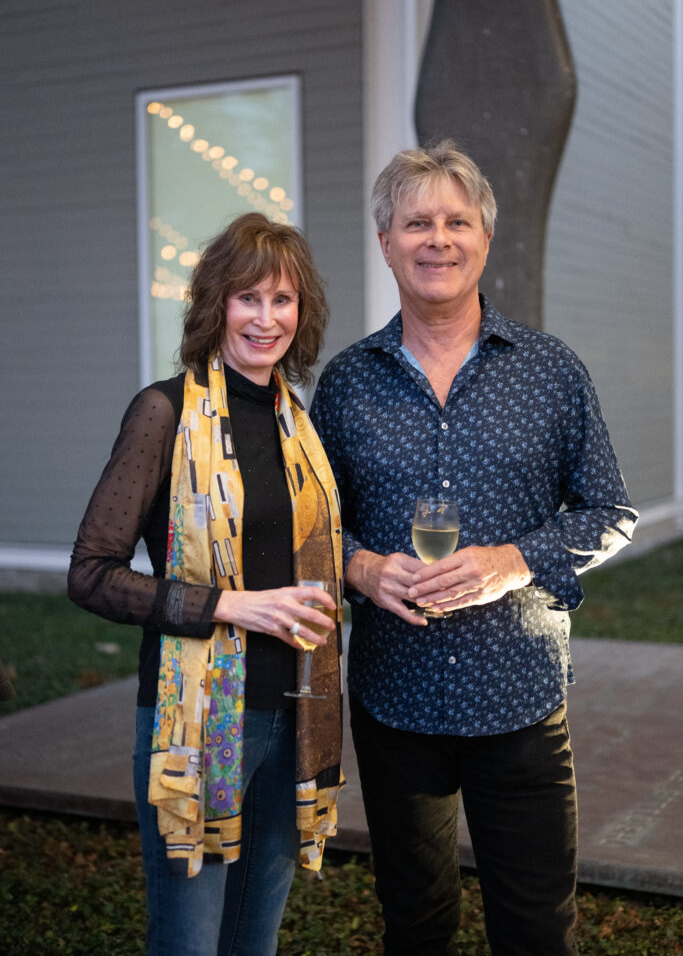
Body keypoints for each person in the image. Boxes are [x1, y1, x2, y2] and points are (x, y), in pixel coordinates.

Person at [311, 140, 638, 956]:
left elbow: (608, 511)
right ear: (385, 242)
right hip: (395, 701)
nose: (438, 238)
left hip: (520, 694)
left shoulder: (550, 371)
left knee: (534, 930)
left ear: (484, 240)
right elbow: (307, 527)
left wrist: (513, 560)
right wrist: (357, 565)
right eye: (416, 221)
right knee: (415, 926)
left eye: (456, 220)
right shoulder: (347, 382)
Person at [68, 212, 344, 956]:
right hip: (207, 721)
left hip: (298, 716)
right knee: (190, 942)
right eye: (246, 298)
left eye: (282, 300)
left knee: (252, 943)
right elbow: (90, 574)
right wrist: (229, 605)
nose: (265, 318)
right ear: (213, 303)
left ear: (301, 312)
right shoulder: (165, 411)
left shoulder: (298, 425)